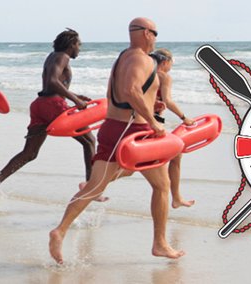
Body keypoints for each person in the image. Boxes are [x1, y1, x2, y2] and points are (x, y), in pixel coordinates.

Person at [48, 17, 185, 264]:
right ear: (145, 33)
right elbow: (131, 91)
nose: (155, 38)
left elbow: (126, 93)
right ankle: (160, 244)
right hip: (133, 132)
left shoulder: (124, 56)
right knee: (162, 186)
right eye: (155, 33)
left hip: (114, 128)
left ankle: (60, 231)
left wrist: (151, 104)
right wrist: (153, 122)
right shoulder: (141, 58)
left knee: (96, 186)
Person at [0, 28, 104, 204]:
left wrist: (75, 96)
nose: (80, 48)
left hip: (40, 105)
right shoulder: (63, 56)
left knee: (30, 153)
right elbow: (53, 82)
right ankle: (90, 187)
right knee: (89, 141)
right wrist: (75, 101)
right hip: (52, 105)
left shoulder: (53, 56)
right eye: (79, 45)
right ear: (71, 44)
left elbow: (52, 84)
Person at [151, 48, 196, 208]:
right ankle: (175, 197)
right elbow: (168, 101)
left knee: (172, 156)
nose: (171, 67)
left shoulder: (144, 74)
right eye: (172, 63)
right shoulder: (164, 77)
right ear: (165, 62)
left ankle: (176, 197)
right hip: (154, 124)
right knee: (171, 156)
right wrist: (185, 118)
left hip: (141, 120)